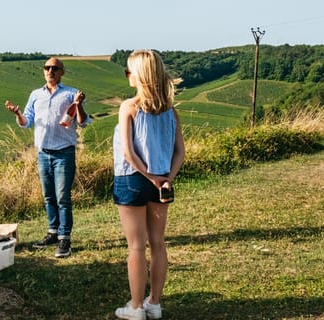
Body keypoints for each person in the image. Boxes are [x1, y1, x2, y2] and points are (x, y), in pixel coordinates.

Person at [112, 50, 185, 320]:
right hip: (162, 179)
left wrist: (150, 177)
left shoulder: (128, 107)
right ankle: (154, 303)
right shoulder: (171, 112)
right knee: (158, 243)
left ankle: (135, 307)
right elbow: (180, 152)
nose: (127, 75)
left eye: (129, 71)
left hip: (131, 179)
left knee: (135, 247)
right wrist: (166, 179)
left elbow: (128, 153)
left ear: (140, 75)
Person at [3, 57, 90, 258]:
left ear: (61, 72)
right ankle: (52, 232)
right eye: (47, 68)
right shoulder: (36, 95)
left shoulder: (71, 94)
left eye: (54, 68)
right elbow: (26, 122)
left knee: (63, 197)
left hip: (64, 152)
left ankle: (64, 238)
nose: (50, 71)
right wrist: (17, 113)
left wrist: (80, 105)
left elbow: (83, 122)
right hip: (43, 152)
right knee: (48, 196)